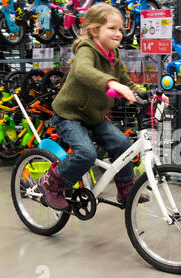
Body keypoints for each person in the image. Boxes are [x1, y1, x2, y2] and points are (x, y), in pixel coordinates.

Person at [38, 3, 149, 210]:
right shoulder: (86, 49)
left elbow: (126, 80)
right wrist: (110, 82)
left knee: (123, 144)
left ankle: (126, 192)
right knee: (86, 154)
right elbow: (82, 71)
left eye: (120, 29)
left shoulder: (113, 55)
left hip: (94, 116)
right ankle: (52, 182)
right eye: (112, 28)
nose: (118, 33)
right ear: (94, 30)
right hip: (69, 114)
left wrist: (145, 92)